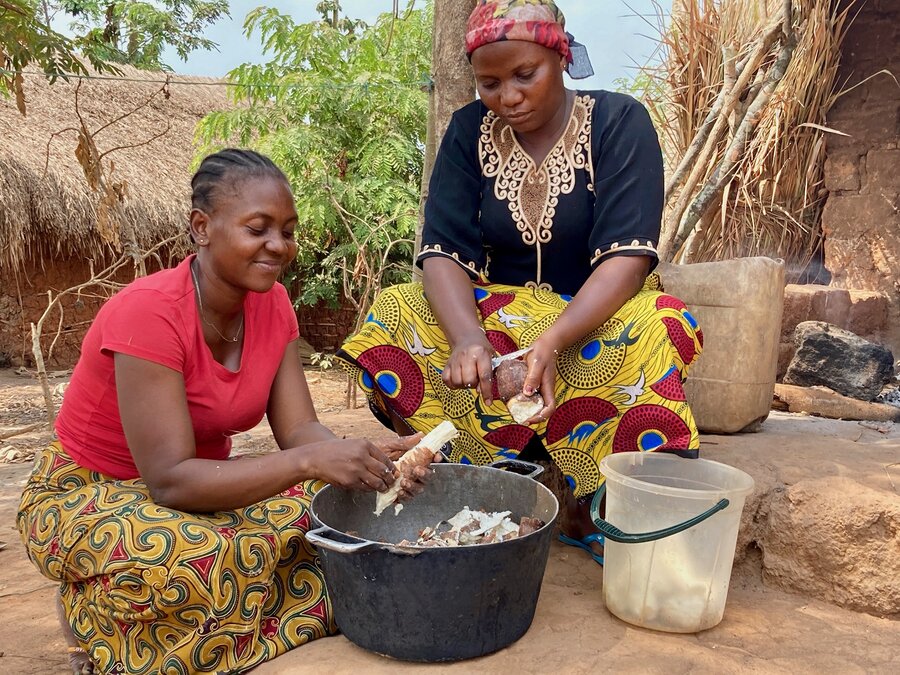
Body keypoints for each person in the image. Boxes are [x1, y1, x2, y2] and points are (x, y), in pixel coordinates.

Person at [17, 149, 432, 675]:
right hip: (90, 492)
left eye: (287, 230)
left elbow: (300, 429)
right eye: (258, 228)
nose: (278, 246)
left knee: (332, 516)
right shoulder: (149, 313)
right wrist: (312, 463)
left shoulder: (274, 303)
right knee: (192, 557)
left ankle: (214, 616)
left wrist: (364, 461)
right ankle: (92, 614)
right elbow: (168, 481)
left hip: (206, 485)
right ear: (201, 227)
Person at [336, 0, 703, 565]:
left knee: (663, 324)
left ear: (560, 56)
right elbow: (441, 252)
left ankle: (603, 506)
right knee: (397, 311)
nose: (507, 96)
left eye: (524, 75)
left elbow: (628, 259)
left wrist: (553, 341)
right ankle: (486, 481)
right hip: (500, 316)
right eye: (489, 83)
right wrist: (466, 338)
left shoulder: (619, 121)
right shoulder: (467, 132)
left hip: (599, 314)